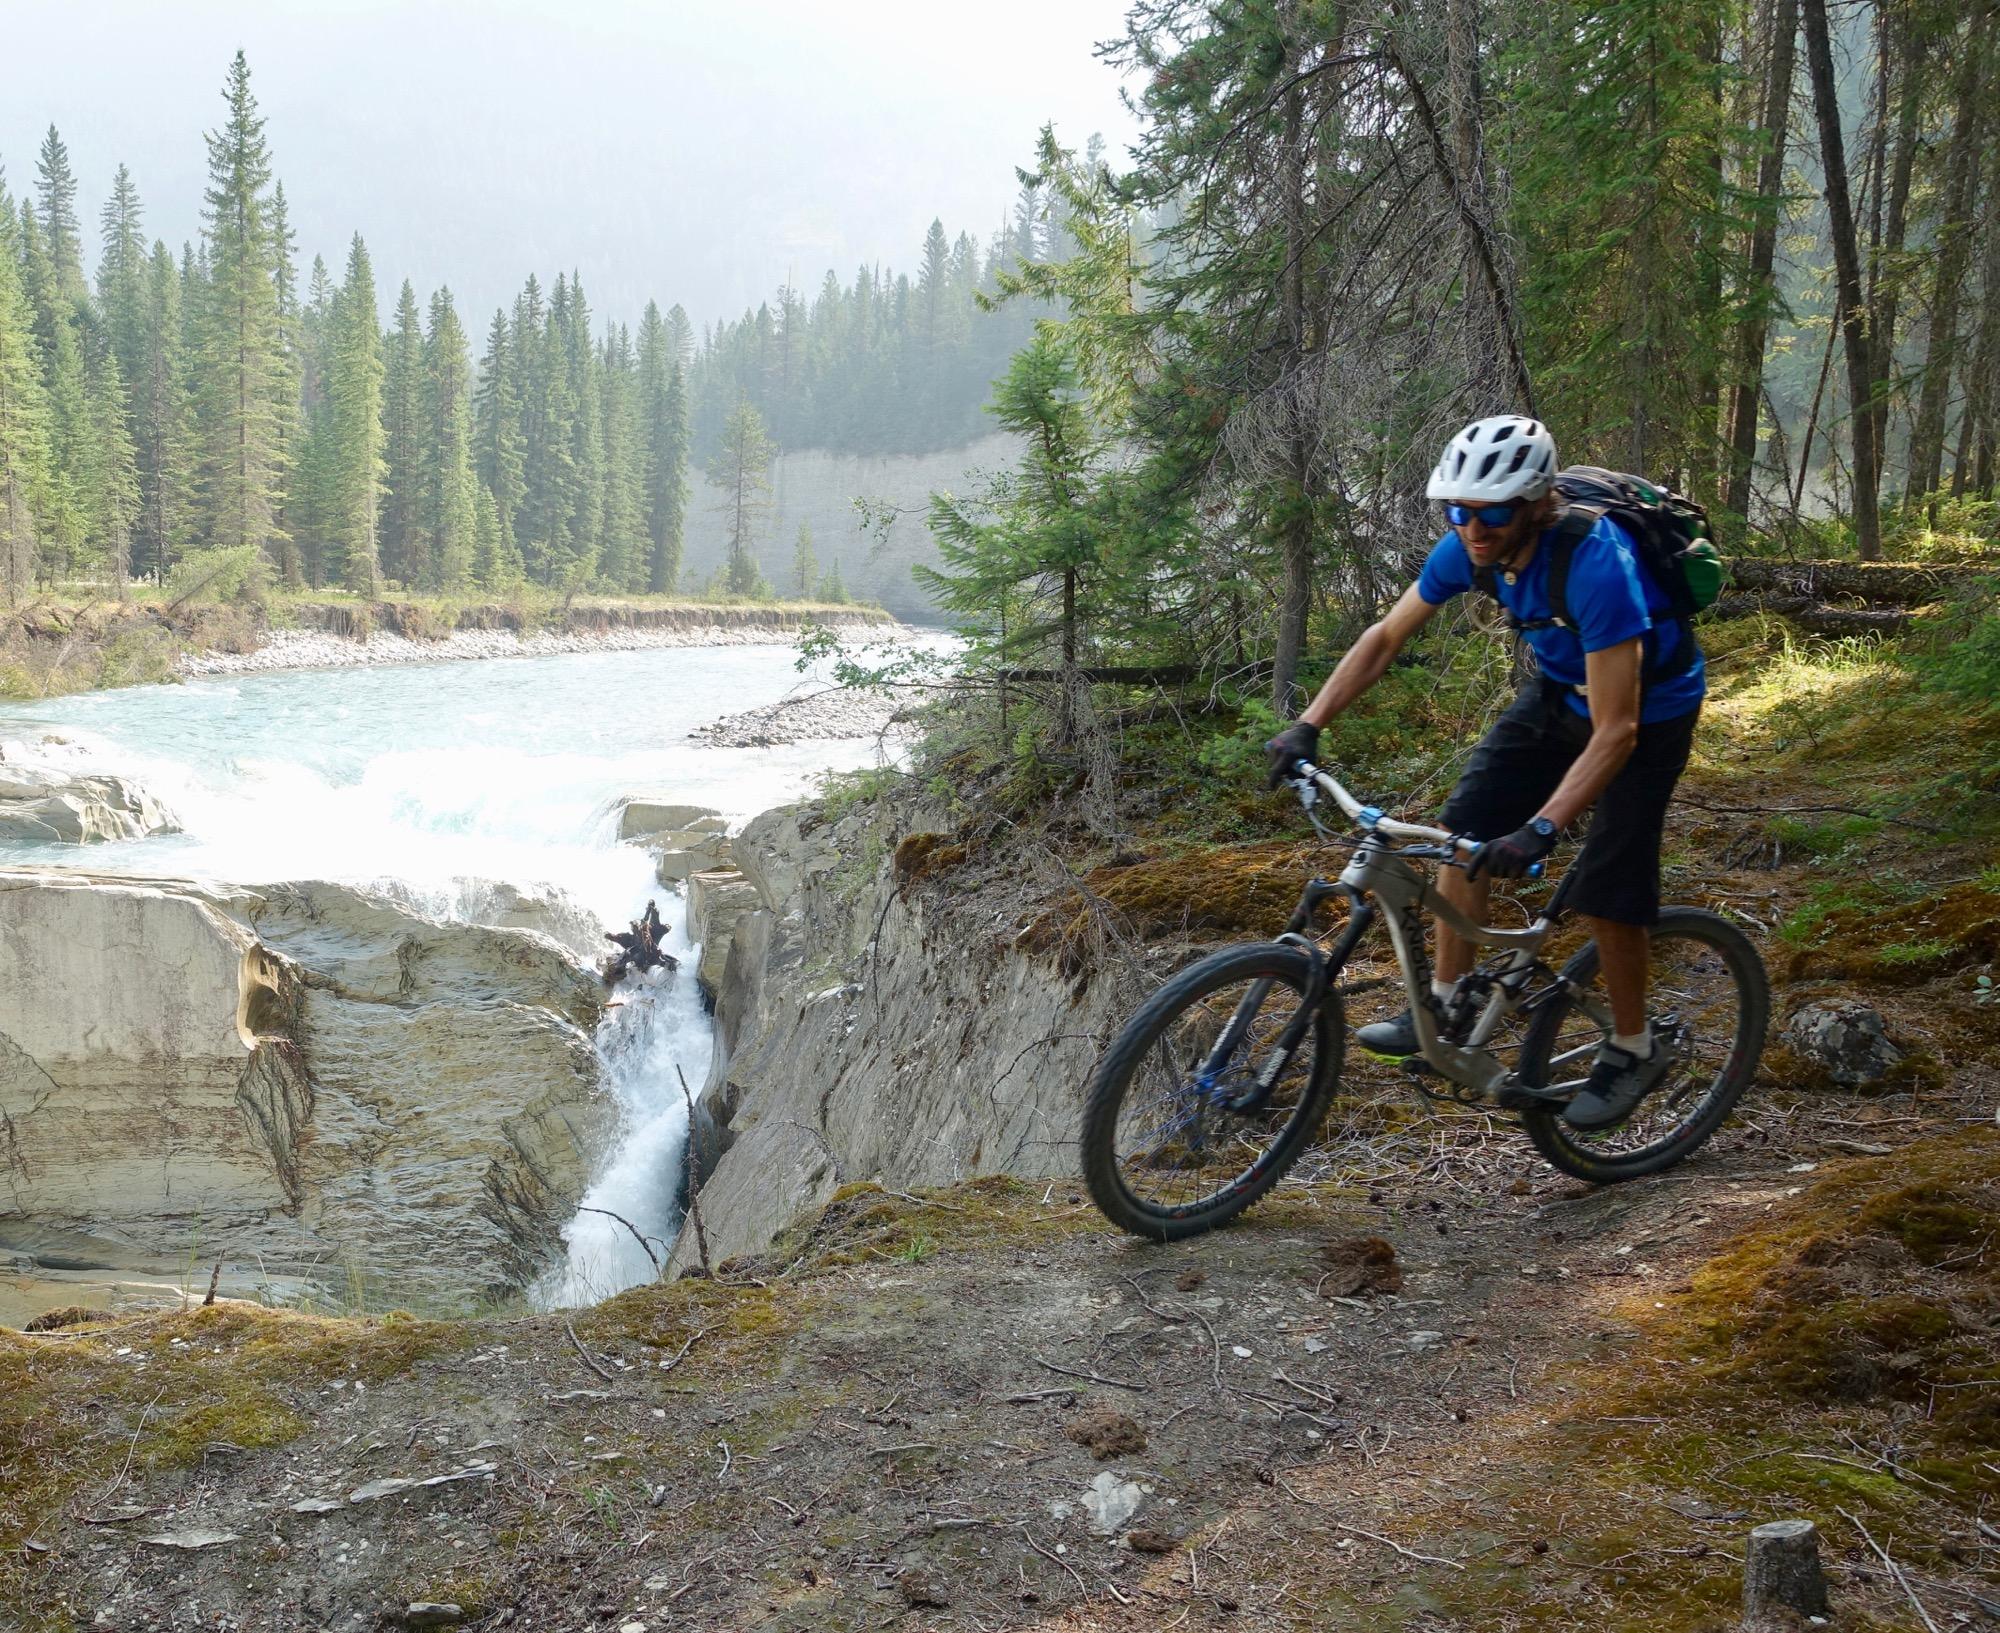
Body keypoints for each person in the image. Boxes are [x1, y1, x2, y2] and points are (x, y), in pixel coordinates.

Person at [1262, 415, 1705, 1130]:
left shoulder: (1596, 565)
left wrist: (1541, 828)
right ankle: (1447, 1000)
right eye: (1458, 510)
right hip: (1561, 690)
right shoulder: (1467, 549)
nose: (1473, 525)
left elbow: (1617, 729)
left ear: (1535, 503)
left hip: (1649, 712)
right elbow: (1383, 638)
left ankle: (1633, 1046)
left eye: (1492, 511)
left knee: (1609, 885)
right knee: (1461, 833)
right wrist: (1308, 724)